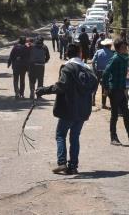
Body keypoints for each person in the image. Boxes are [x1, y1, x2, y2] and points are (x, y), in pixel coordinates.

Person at [36, 43, 99, 175]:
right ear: (80, 53)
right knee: (75, 137)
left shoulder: (67, 68)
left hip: (68, 109)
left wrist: (43, 90)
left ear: (66, 54)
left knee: (60, 135)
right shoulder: (88, 69)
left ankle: (62, 163)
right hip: (83, 110)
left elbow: (61, 87)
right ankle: (73, 166)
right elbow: (93, 87)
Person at [102, 39, 129, 146]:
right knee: (115, 115)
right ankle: (113, 138)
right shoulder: (115, 58)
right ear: (119, 48)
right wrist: (106, 88)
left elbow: (127, 65)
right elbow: (106, 72)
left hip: (120, 89)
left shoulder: (124, 58)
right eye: (124, 47)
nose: (126, 49)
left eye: (126, 47)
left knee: (126, 113)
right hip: (114, 89)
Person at [92, 38, 114, 108]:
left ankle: (93, 101)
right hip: (107, 73)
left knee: (95, 86)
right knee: (104, 88)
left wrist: (95, 70)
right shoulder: (112, 53)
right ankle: (103, 104)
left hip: (98, 71)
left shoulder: (98, 51)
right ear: (110, 45)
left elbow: (93, 62)